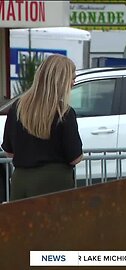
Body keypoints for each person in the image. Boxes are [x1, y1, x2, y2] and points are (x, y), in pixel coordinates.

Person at [1, 54, 83, 201]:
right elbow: (75, 158)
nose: (73, 83)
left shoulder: (17, 108)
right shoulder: (64, 113)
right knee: (54, 224)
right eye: (72, 78)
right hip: (54, 183)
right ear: (61, 81)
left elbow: (8, 152)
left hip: (21, 181)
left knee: (22, 223)